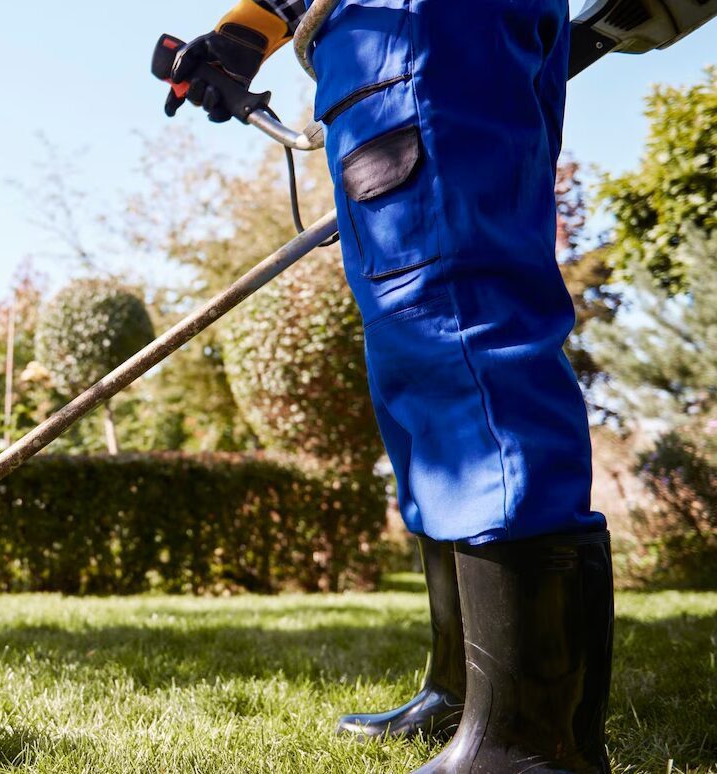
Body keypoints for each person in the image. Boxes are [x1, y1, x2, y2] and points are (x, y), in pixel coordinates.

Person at [164, 1, 614, 771]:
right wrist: (248, 33)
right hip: (397, 36)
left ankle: (528, 740)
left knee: (455, 324)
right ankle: (466, 694)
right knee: (417, 360)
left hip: (415, 26)